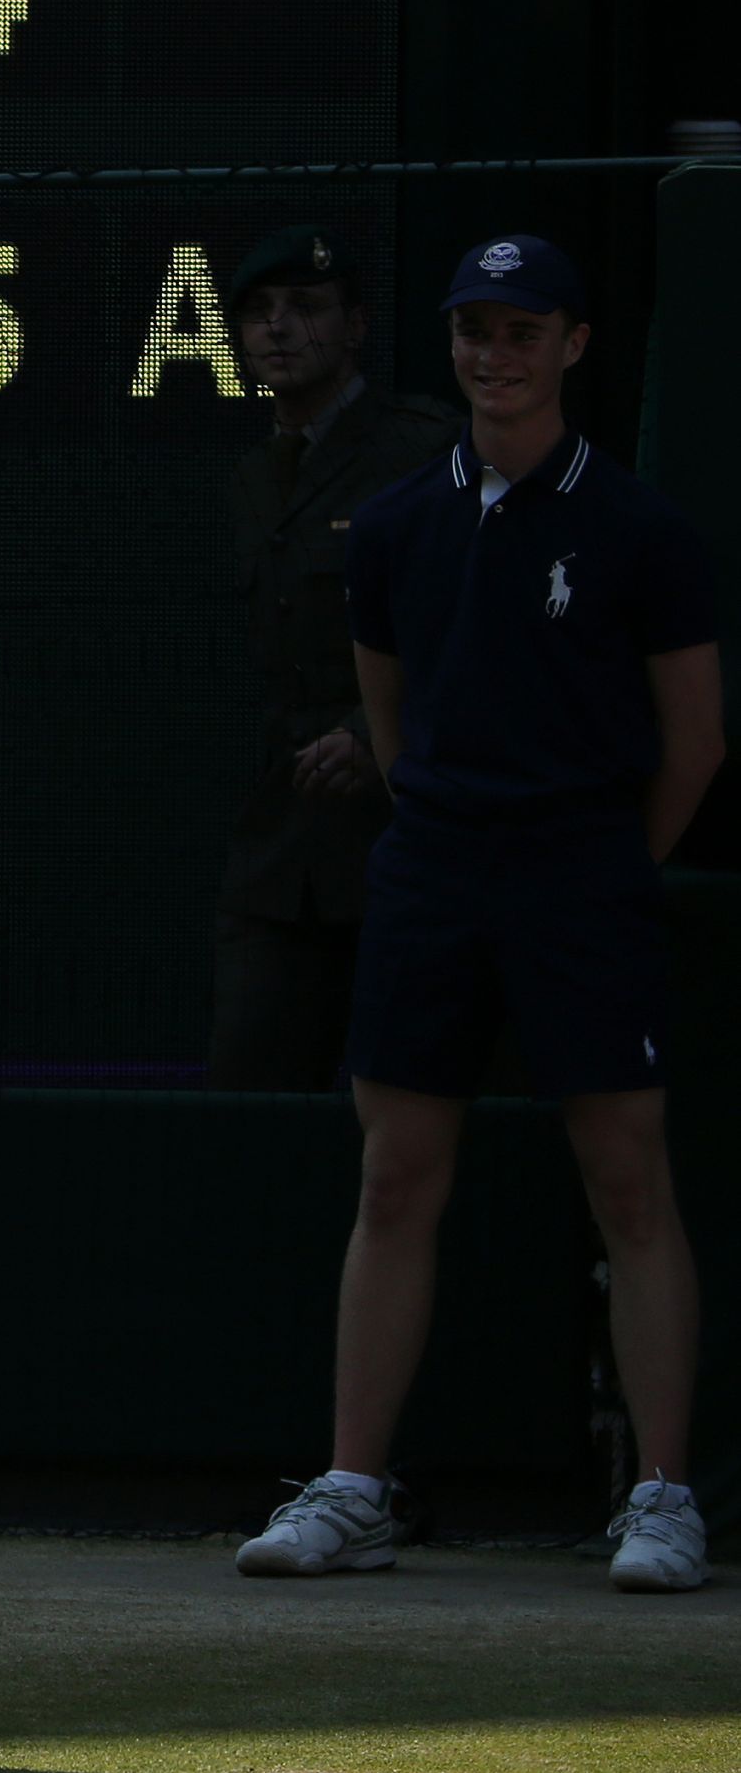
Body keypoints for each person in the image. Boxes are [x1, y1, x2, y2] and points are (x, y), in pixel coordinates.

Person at [237, 233, 723, 1593]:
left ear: (573, 345)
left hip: (583, 876)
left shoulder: (638, 526)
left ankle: (666, 1495)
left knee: (629, 1181)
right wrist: (455, 831)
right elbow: (394, 718)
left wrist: (605, 866)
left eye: (522, 332)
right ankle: (353, 1486)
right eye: (473, 332)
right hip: (434, 875)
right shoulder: (396, 523)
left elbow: (695, 739)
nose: (494, 357)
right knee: (393, 1178)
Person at [212, 227, 460, 1090]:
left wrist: (368, 732)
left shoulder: (421, 450)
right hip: (285, 851)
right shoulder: (251, 475)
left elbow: (469, 627)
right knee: (250, 1092)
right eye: (257, 313)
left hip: (407, 834)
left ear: (355, 326)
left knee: (405, 1106)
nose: (278, 329)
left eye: (305, 308)